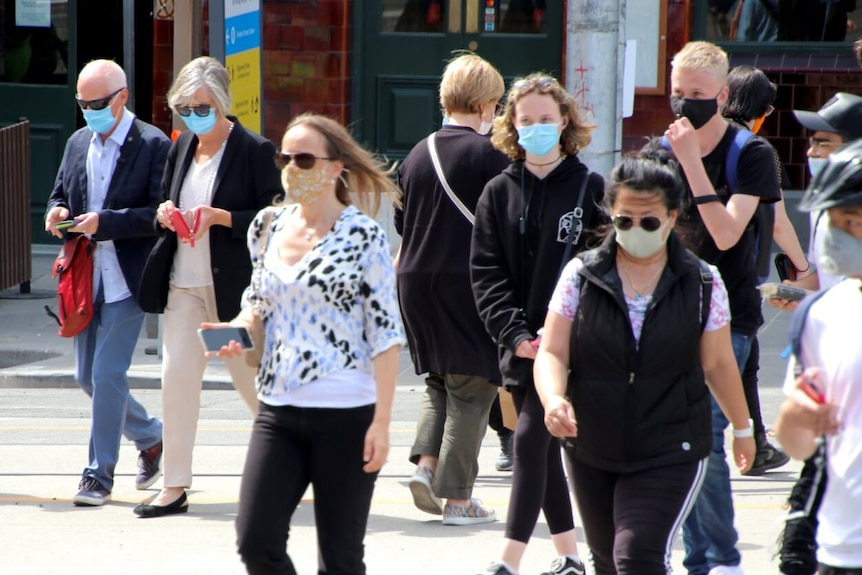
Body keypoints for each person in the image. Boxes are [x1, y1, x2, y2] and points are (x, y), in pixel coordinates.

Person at [535, 150, 756, 575]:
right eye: (624, 221)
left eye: (649, 221)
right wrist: (554, 398)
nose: (636, 230)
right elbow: (553, 350)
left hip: (671, 446)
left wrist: (744, 430)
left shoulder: (704, 282)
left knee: (637, 557)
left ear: (673, 217)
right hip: (592, 445)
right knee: (607, 563)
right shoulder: (581, 275)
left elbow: (719, 366)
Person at [213, 113, 405, 574]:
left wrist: (381, 423)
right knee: (255, 541)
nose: (291, 168)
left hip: (346, 413)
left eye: (303, 159)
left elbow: (385, 334)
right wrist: (239, 327)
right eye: (285, 158)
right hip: (277, 408)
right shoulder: (266, 226)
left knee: (339, 560)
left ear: (335, 168)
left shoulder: (363, 235)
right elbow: (258, 299)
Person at [132, 56, 282, 517]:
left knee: (249, 382)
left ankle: (294, 462)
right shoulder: (181, 147)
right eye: (187, 109)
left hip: (230, 295)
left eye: (203, 107)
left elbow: (273, 218)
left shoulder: (254, 150)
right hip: (184, 287)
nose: (195, 116)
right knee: (176, 382)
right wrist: (164, 213)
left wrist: (221, 218)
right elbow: (168, 197)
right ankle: (174, 486)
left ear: (221, 102)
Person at [471, 73, 605, 575]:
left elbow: (601, 268)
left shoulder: (590, 188)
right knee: (542, 451)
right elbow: (486, 274)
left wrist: (566, 334)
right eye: (526, 121)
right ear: (511, 125)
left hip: (574, 349)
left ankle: (508, 560)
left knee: (530, 441)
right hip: (521, 348)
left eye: (546, 120)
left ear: (564, 120)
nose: (536, 128)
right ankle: (570, 557)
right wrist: (516, 336)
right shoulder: (497, 192)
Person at [662, 40, 781, 575]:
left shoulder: (750, 154)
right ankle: (699, 558)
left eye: (698, 94)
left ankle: (718, 560)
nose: (686, 104)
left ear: (723, 94)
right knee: (680, 439)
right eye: (677, 93)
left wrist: (691, 163)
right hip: (669, 311)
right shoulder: (658, 152)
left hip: (727, 314)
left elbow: (728, 234)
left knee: (708, 433)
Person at [44, 59, 170, 506]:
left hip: (129, 279)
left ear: (122, 97)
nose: (89, 112)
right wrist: (56, 212)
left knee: (107, 372)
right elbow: (61, 191)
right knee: (87, 377)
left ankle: (98, 475)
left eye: (96, 103)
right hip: (83, 278)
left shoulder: (153, 144)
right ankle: (152, 437)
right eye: (81, 104)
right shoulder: (79, 142)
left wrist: (106, 223)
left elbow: (159, 216)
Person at [395, 53, 509, 525]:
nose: (498, 113)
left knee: (440, 380)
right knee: (474, 387)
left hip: (416, 283)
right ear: (484, 104)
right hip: (467, 282)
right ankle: (459, 499)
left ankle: (426, 468)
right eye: (497, 104)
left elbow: (403, 222)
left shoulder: (416, 153)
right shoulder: (492, 155)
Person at [771, 91, 862, 575]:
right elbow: (798, 439)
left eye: (824, 143)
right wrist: (792, 293)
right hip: (840, 539)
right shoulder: (823, 316)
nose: (812, 153)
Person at [721, 64, 806, 476]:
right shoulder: (755, 151)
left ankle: (754, 444)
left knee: (747, 358)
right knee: (739, 355)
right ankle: (750, 443)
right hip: (736, 276)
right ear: (763, 110)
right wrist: (803, 268)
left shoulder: (694, 141)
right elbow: (779, 222)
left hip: (684, 270)